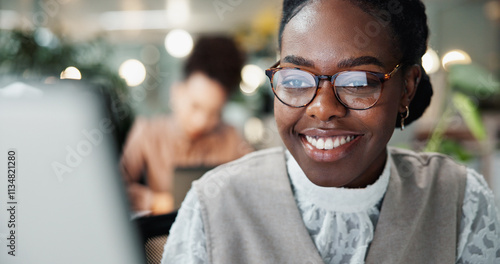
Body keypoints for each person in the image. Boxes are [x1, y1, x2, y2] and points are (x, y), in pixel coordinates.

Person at [162, 0, 500, 263]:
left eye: (357, 81)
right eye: (295, 79)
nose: (322, 108)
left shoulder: (458, 201)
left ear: (407, 89)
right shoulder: (215, 203)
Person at [121, 36, 252, 215]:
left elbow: (253, 190)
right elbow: (111, 190)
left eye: (214, 113)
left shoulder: (231, 138)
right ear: (176, 92)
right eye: (195, 106)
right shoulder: (147, 132)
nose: (201, 121)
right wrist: (154, 202)